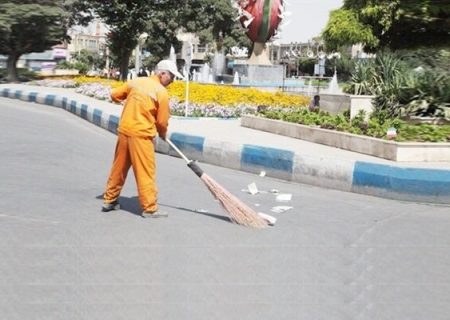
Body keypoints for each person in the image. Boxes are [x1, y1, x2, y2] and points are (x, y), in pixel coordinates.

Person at [102, 60, 183, 218]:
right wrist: (163, 132)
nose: (172, 80)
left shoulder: (136, 82)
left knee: (118, 168)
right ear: (162, 73)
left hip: (125, 132)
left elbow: (114, 95)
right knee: (146, 171)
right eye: (171, 76)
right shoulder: (161, 92)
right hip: (141, 136)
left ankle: (109, 199)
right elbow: (161, 121)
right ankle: (150, 208)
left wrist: (129, 102)